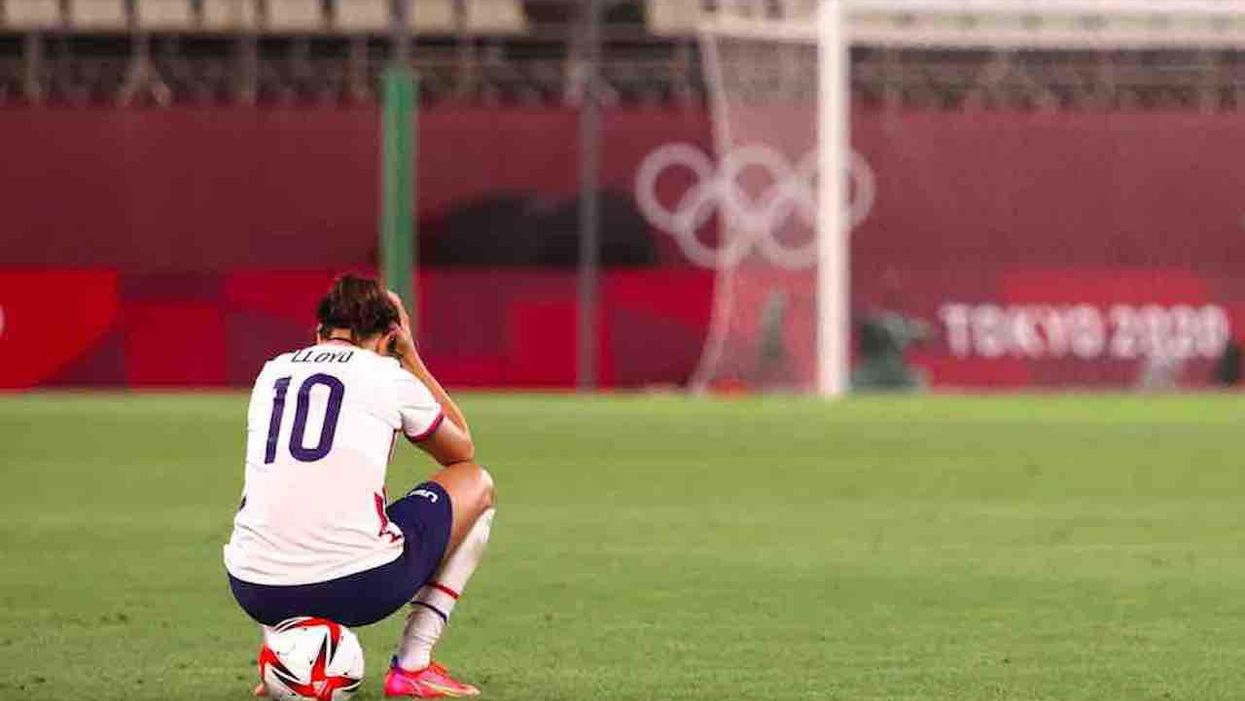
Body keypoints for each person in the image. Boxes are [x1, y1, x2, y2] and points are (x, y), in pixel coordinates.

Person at [223, 274, 495, 698]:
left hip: (253, 588)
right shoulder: (388, 373)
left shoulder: (271, 372)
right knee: (477, 484)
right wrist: (411, 358)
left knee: (278, 506)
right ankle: (413, 665)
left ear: (319, 332)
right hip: (359, 587)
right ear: (388, 337)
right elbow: (461, 449)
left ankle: (277, 662)